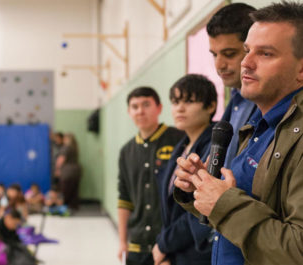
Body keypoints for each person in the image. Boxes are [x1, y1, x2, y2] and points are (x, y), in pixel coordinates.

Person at [174, 2, 303, 265]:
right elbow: (240, 214)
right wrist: (201, 188)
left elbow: (297, 249)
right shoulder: (258, 126)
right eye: (246, 51)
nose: (246, 62)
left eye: (265, 54)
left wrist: (223, 203)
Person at [153, 74, 217, 265]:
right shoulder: (181, 146)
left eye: (189, 101)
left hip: (198, 254)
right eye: (175, 102)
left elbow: (198, 211)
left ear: (211, 106)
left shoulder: (215, 147)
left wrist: (164, 245)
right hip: (176, 253)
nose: (179, 108)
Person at [117, 87, 184, 265]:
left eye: (146, 104)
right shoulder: (126, 151)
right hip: (136, 247)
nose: (140, 111)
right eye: (135, 106)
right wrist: (123, 241)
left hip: (169, 246)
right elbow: (124, 199)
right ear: (129, 112)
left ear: (159, 108)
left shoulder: (179, 139)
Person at [207, 3, 256, 168]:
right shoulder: (236, 98)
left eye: (229, 54)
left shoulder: (271, 102)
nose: (219, 65)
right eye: (214, 55)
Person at [55, 133, 82, 211]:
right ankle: (73, 207)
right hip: (77, 171)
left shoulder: (66, 148)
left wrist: (57, 169)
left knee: (65, 190)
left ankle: (63, 207)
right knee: (74, 191)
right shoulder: (75, 148)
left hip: (67, 172)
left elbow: (61, 160)